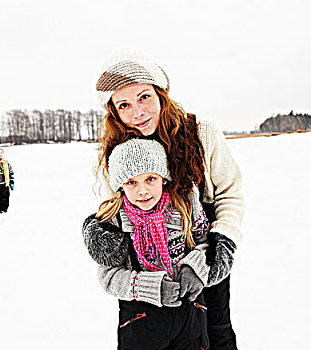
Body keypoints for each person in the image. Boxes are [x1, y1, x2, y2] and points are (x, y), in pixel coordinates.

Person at [84, 48, 243, 349]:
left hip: (202, 250)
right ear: (114, 111)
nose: (137, 113)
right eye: (124, 105)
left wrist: (222, 242)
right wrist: (99, 233)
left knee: (217, 331)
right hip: (147, 272)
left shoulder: (200, 132)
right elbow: (111, 207)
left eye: (144, 97)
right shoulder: (116, 151)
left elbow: (229, 192)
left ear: (160, 93)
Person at [84, 138, 214, 349]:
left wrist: (194, 268)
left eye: (150, 179)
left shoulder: (185, 206)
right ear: (120, 186)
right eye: (131, 182)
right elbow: (108, 277)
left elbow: (206, 243)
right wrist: (151, 288)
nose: (142, 191)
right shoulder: (116, 220)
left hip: (189, 316)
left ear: (164, 178)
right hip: (141, 322)